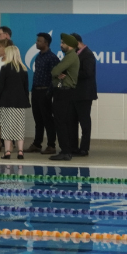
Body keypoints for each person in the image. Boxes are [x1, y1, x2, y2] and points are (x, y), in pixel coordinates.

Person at [26, 33, 60, 155]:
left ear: (46, 43)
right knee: (38, 119)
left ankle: (51, 145)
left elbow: (55, 78)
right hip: (36, 91)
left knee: (47, 119)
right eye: (37, 40)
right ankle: (37, 144)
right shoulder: (38, 57)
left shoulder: (52, 58)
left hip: (45, 91)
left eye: (39, 41)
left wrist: (49, 92)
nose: (36, 43)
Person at [0, 45, 30, 160]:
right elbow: (26, 88)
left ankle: (7, 152)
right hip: (20, 102)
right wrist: (26, 101)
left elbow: (0, 87)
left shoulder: (5, 68)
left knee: (6, 127)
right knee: (19, 127)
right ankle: (20, 152)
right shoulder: (23, 69)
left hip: (6, 101)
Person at [49, 33, 80, 161]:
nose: (61, 45)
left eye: (63, 43)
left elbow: (54, 71)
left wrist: (57, 73)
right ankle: (66, 150)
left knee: (61, 122)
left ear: (70, 45)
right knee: (63, 122)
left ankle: (65, 151)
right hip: (64, 92)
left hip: (64, 93)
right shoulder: (69, 56)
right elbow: (57, 72)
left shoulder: (70, 57)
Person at [71, 32, 97, 157]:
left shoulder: (88, 55)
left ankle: (84, 148)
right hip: (75, 93)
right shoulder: (76, 54)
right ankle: (74, 147)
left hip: (84, 94)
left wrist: (71, 74)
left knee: (84, 122)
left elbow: (88, 73)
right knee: (73, 121)